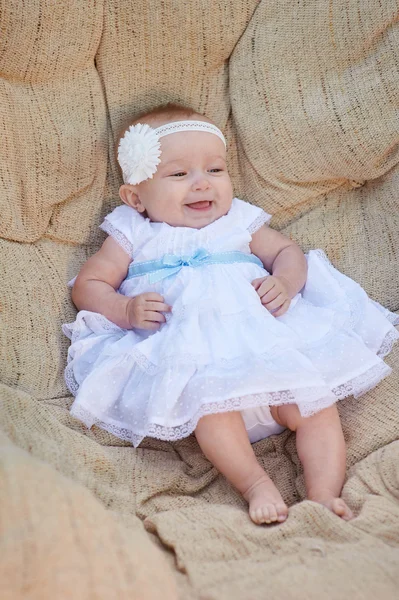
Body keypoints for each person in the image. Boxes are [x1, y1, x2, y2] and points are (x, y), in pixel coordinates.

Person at [63, 103, 399, 526]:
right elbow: (88, 286)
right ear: (136, 197)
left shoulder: (239, 220)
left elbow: (287, 252)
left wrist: (286, 282)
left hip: (272, 358)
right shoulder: (133, 231)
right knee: (211, 412)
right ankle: (256, 483)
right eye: (179, 174)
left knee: (317, 404)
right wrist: (124, 309)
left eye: (215, 170)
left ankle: (323, 495)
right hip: (201, 370)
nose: (202, 185)